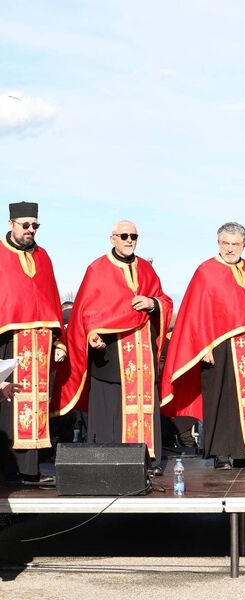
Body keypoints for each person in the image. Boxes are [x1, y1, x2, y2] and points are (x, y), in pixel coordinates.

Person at [54, 220, 172, 472]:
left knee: (144, 406)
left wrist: (152, 304)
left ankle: (147, 459)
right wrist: (91, 334)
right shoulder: (97, 269)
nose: (129, 240)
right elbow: (85, 312)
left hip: (142, 356)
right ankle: (110, 461)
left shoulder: (146, 269)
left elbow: (164, 300)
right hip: (111, 356)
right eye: (124, 236)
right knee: (112, 409)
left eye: (134, 237)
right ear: (113, 238)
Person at [160, 222, 245, 470]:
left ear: (244, 245)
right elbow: (194, 312)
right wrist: (202, 346)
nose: (230, 249)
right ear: (218, 243)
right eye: (226, 243)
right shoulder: (206, 271)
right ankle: (221, 454)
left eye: (235, 244)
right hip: (218, 347)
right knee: (221, 399)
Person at [0, 201, 66, 482]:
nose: (30, 230)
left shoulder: (43, 256)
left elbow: (51, 298)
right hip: (8, 342)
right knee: (8, 404)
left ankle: (30, 471)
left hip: (40, 345)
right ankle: (7, 472)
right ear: (11, 224)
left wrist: (59, 341)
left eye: (35, 226)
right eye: (25, 225)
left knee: (36, 405)